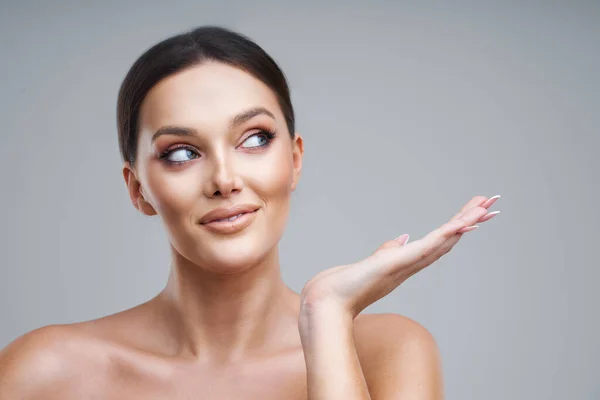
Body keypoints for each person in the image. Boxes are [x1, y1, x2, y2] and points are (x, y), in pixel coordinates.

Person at [0, 26, 500, 399]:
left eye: (255, 139)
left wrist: (324, 314)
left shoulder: (387, 351)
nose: (224, 179)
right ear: (138, 190)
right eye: (181, 153)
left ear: (295, 159)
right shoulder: (45, 371)